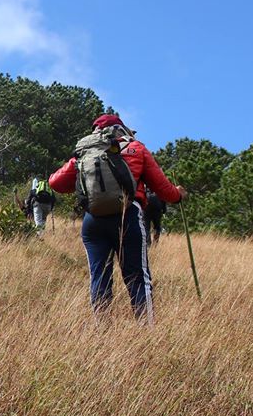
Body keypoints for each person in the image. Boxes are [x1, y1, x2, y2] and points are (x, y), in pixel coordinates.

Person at [49, 112, 186, 322]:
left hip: (93, 220)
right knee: (138, 278)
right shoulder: (136, 148)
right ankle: (146, 330)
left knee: (100, 278)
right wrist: (177, 195)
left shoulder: (85, 153)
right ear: (121, 129)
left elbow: (56, 183)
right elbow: (162, 188)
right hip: (127, 216)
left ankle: (102, 330)